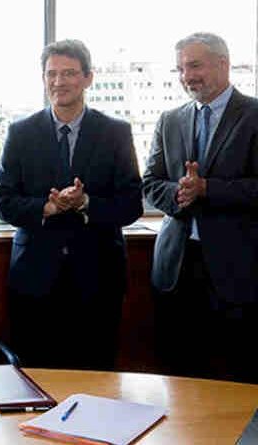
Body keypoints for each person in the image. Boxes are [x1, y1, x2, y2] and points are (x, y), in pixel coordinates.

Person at [0, 40, 142, 371]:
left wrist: (86, 202)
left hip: (98, 278)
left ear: (88, 78)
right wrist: (46, 209)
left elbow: (132, 204)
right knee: (37, 378)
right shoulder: (21, 132)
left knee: (97, 376)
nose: (59, 82)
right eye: (52, 74)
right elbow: (1, 200)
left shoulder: (115, 132)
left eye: (70, 73)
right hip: (35, 278)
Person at [143, 33, 258, 383]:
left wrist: (208, 189)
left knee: (238, 377)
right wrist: (181, 193)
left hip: (237, 270)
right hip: (177, 267)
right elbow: (150, 183)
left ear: (223, 64)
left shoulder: (254, 115)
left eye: (194, 65)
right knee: (179, 373)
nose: (186, 76)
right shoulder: (170, 119)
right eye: (180, 68)